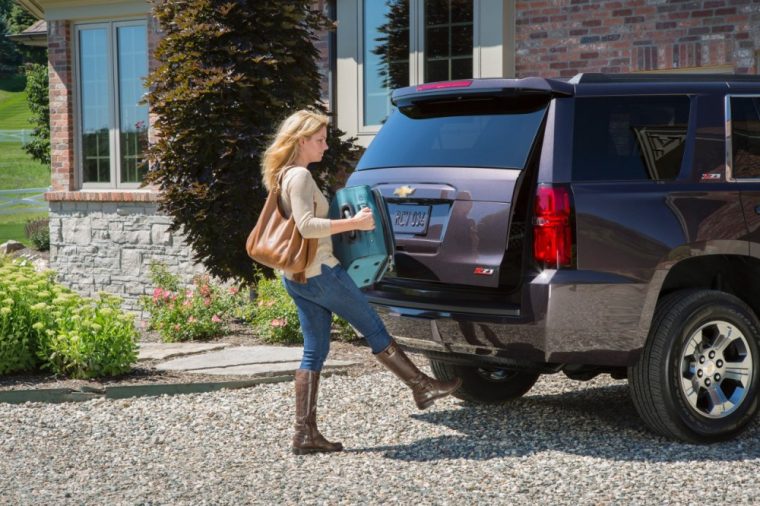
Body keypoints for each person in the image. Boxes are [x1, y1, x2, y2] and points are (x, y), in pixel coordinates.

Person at [261, 110, 462, 455]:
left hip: (298, 277)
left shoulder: (283, 176)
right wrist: (353, 222)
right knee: (373, 328)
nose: (325, 146)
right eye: (320, 140)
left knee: (315, 350)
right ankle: (422, 386)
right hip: (321, 273)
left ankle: (304, 434)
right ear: (301, 141)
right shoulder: (299, 177)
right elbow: (307, 227)